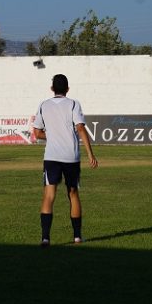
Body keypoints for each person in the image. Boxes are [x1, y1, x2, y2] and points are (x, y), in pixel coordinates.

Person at [32, 74, 98, 247]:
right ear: (68, 89)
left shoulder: (44, 105)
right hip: (71, 157)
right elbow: (81, 128)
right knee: (73, 193)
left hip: (51, 157)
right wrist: (91, 154)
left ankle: (45, 238)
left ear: (52, 89)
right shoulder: (74, 104)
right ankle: (77, 237)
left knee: (49, 195)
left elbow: (37, 133)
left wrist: (53, 135)